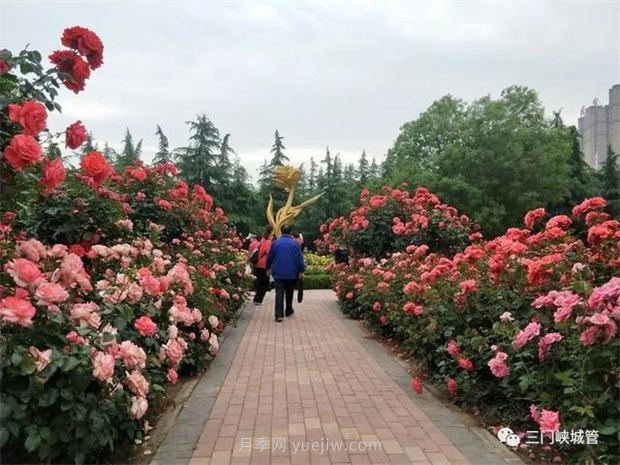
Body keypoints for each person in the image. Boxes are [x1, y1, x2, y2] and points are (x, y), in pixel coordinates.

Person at [267, 224, 305, 322]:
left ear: (282, 231)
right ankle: (288, 310)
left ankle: (279, 315)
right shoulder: (295, 243)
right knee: (290, 291)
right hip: (292, 272)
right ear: (290, 232)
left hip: (278, 272)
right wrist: (301, 270)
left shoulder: (275, 243)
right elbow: (299, 259)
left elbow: (270, 257)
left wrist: (268, 268)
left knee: (279, 292)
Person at [253, 226, 273, 305]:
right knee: (264, 284)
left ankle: (256, 299)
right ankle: (258, 300)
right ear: (270, 232)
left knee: (260, 282)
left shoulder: (262, 240)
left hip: (258, 264)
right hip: (264, 265)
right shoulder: (268, 241)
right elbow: (268, 252)